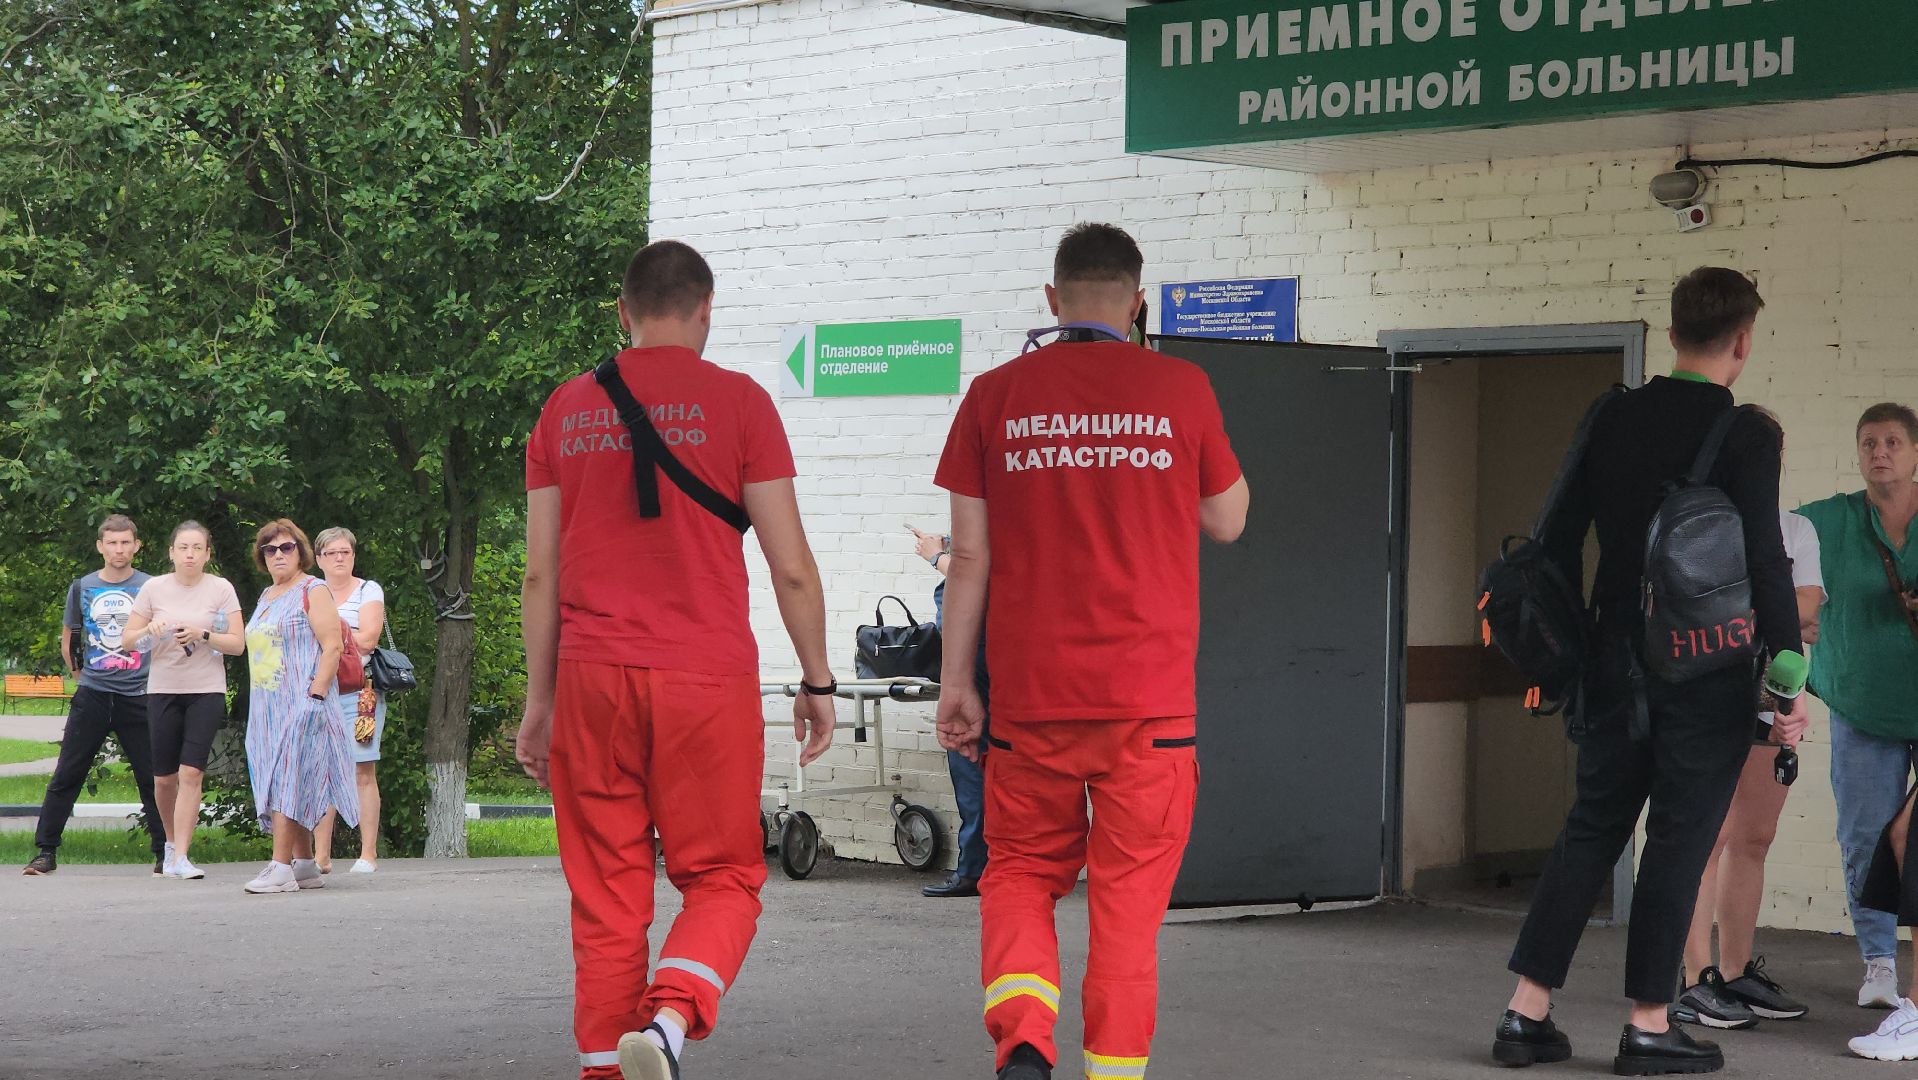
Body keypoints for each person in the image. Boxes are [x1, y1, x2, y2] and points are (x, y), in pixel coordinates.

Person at [515, 239, 837, 1080]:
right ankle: (670, 1018)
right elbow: (791, 566)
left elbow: (541, 574)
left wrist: (540, 704)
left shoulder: (563, 410)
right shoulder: (742, 404)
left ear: (624, 313)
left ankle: (607, 1068)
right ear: (706, 309)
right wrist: (817, 680)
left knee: (606, 898)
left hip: (591, 679)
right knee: (725, 875)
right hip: (705, 678)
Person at [934, 223, 1249, 1080]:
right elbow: (1228, 519)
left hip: (1031, 703)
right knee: (1127, 912)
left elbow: (969, 558)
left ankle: (1024, 1039)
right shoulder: (1181, 387)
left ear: (1052, 299)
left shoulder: (994, 395)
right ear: (1138, 303)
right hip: (1151, 710)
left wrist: (956, 685)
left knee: (1018, 872)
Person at [1493, 267, 1805, 1076]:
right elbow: (1765, 562)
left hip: (1611, 662)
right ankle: (1648, 1024)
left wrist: (1571, 651)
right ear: (1743, 342)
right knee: (1677, 839)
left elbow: (1557, 537)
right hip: (1706, 671)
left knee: (1591, 829)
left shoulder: (1612, 416)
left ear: (1670, 336)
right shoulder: (1747, 435)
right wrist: (1786, 680)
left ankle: (1526, 1013)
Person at [1791, 403, 1918, 1050]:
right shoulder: (1827, 521)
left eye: (1893, 441)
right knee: (1865, 835)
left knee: (1912, 842)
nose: (1880, 452)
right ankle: (1880, 963)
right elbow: (1770, 541)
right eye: (1869, 442)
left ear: (1915, 452)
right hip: (1862, 704)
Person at [1674, 502, 1826, 1028]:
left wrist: (1749, 612)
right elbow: (1787, 614)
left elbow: (1809, 607)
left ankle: (1736, 973)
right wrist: (1781, 612)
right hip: (1708, 696)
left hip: (1772, 697)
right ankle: (1696, 980)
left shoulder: (1795, 528)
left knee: (1755, 836)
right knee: (1707, 837)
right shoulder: (1702, 525)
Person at [21, 514, 168, 877]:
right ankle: (45, 851)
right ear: (101, 546)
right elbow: (70, 638)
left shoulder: (152, 587)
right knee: (67, 773)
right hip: (94, 694)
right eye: (112, 543)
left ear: (137, 546)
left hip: (139, 694)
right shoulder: (82, 586)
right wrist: (82, 677)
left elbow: (163, 637)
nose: (119, 549)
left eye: (125, 542)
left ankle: (165, 853)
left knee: (153, 777)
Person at [240, 519, 358, 895]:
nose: (278, 554)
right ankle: (304, 864)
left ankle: (279, 867)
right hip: (267, 708)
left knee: (286, 781)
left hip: (304, 702)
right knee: (292, 779)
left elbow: (333, 646)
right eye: (270, 549)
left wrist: (316, 696)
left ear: (301, 551)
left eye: (286, 547)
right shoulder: (266, 596)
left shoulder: (313, 589)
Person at [123, 520, 245, 881]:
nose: (190, 555)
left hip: (206, 689)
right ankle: (170, 844)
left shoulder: (221, 589)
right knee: (164, 778)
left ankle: (183, 856)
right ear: (171, 552)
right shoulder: (153, 588)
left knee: (192, 772)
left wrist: (202, 634)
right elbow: (127, 641)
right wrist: (149, 630)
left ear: (207, 554)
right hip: (163, 689)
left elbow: (237, 644)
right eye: (183, 548)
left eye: (197, 548)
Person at [914, 522, 988, 899]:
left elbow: (978, 577)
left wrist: (937, 557)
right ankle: (982, 866)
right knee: (976, 762)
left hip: (978, 656)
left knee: (969, 757)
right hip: (978, 655)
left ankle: (976, 868)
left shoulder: (991, 511)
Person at [311, 527, 387, 874]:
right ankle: (320, 857)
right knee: (320, 771)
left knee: (362, 769)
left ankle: (367, 853)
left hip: (358, 692)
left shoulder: (368, 590)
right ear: (319, 559)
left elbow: (369, 639)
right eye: (331, 553)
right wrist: (342, 635)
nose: (339, 558)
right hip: (319, 690)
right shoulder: (311, 591)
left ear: (354, 556)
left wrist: (330, 634)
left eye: (345, 552)